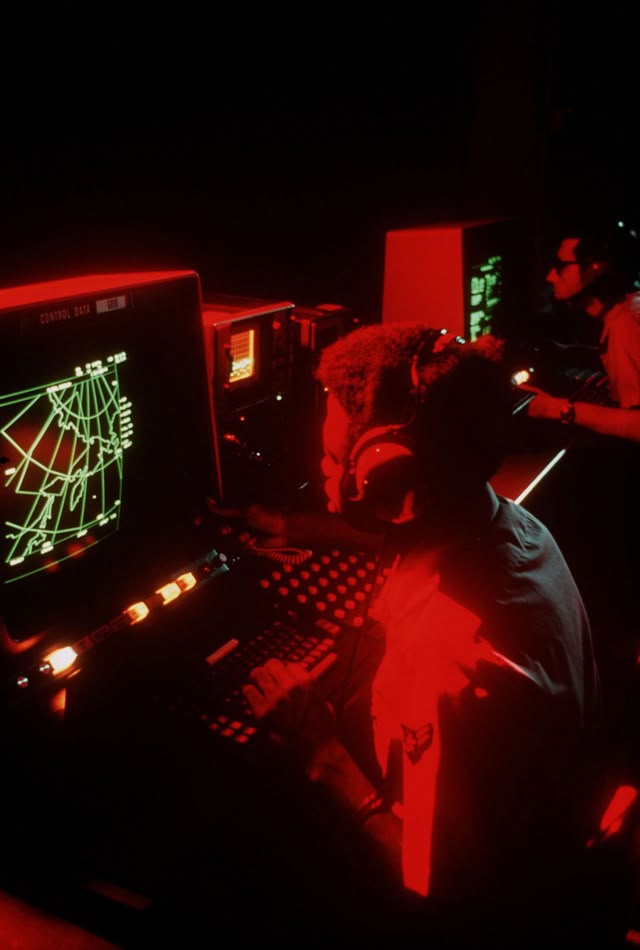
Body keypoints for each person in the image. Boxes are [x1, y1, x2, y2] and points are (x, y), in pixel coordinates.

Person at [240, 322, 602, 947]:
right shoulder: (516, 525)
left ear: (387, 475)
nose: (325, 472)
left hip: (491, 915)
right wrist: (293, 525)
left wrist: (318, 749)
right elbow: (410, 527)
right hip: (552, 820)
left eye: (335, 459)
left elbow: (430, 886)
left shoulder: (446, 657)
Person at [524, 217, 640, 434]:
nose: (551, 276)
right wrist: (572, 354)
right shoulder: (630, 308)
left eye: (561, 267)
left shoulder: (625, 326)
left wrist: (555, 408)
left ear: (595, 269)